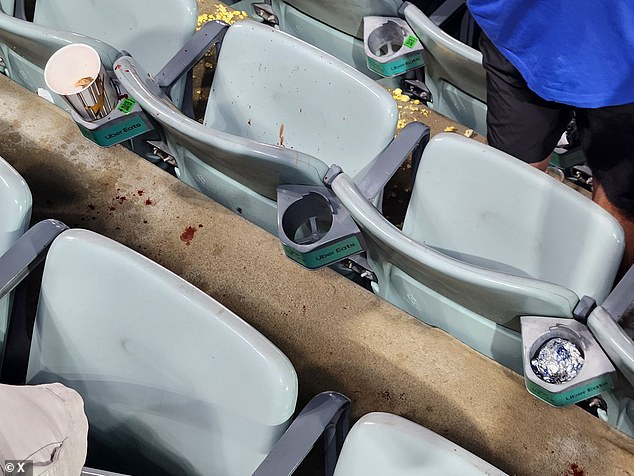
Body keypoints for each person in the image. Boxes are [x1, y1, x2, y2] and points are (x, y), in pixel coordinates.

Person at [466, 0, 634, 279]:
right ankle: (503, 283)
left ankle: (602, 304)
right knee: (514, 180)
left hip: (620, 61)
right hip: (519, 29)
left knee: (618, 207)